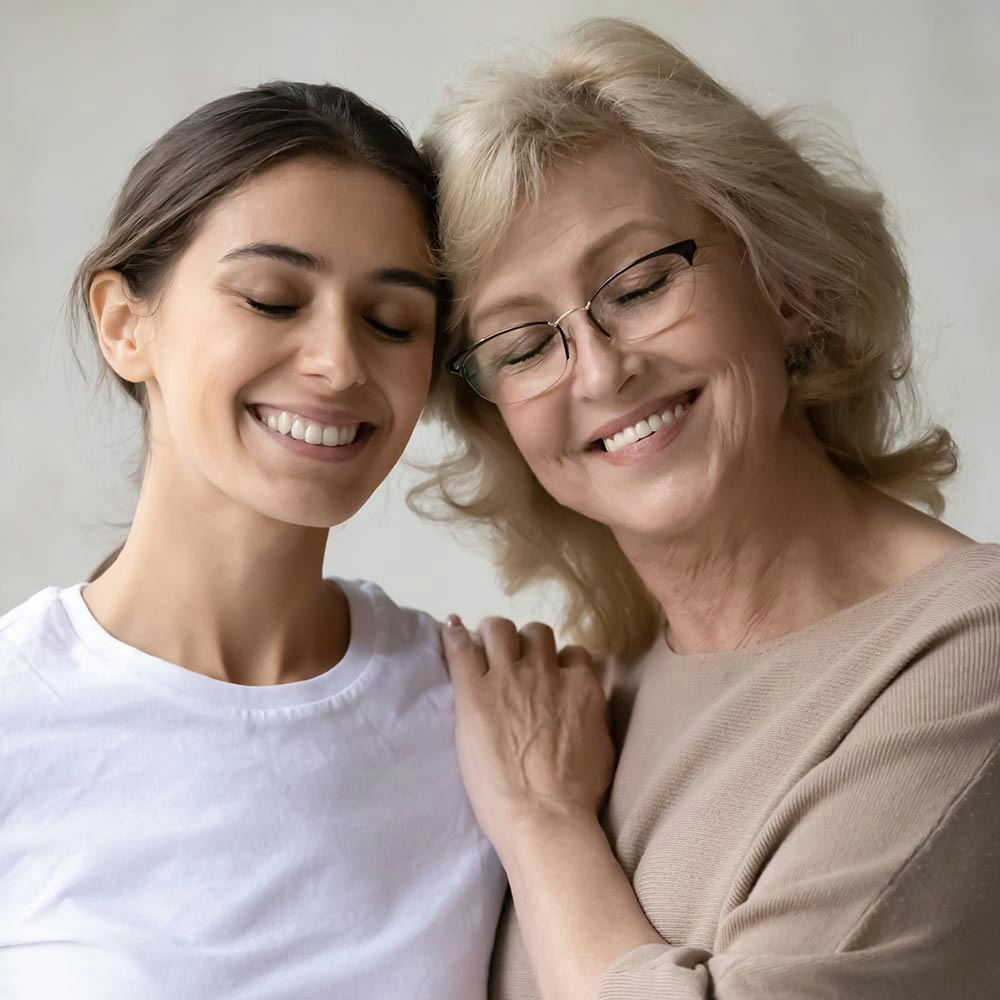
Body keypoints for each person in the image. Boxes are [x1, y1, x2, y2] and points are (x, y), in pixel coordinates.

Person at [416, 18, 1000, 1000]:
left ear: (786, 285)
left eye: (640, 284)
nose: (601, 369)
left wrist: (545, 829)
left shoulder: (964, 654)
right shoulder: (578, 705)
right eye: (522, 346)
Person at [0, 82, 505, 999]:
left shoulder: (485, 716)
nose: (340, 363)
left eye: (392, 323)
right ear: (124, 325)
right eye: (273, 300)